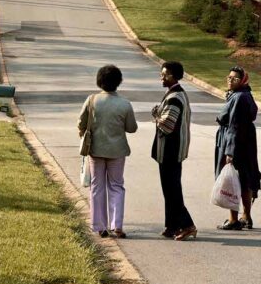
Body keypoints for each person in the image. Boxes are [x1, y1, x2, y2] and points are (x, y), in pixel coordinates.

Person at [78, 64, 138, 238]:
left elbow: (81, 123)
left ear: (99, 81)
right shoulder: (125, 104)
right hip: (118, 151)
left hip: (95, 150)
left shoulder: (92, 100)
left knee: (97, 186)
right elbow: (131, 128)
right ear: (118, 82)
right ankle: (117, 225)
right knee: (117, 186)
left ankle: (99, 226)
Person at [151, 61, 196, 241]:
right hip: (174, 150)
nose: (162, 77)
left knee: (172, 190)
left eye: (165, 74)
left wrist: (156, 115)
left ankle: (187, 225)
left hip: (170, 150)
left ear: (174, 76)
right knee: (169, 189)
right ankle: (172, 225)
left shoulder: (175, 97)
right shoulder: (177, 93)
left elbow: (168, 125)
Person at [214, 66, 261, 230]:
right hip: (246, 142)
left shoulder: (239, 98)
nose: (230, 80)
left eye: (234, 78)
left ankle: (234, 219)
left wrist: (230, 152)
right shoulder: (243, 95)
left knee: (232, 181)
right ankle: (246, 216)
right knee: (244, 179)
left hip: (235, 143)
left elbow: (234, 126)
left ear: (242, 80)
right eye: (229, 77)